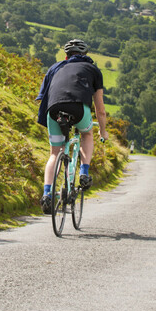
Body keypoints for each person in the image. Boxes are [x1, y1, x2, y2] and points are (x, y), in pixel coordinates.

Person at [35, 39, 108, 214]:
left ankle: (47, 194)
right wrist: (103, 131)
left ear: (66, 56)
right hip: (78, 108)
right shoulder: (93, 70)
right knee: (86, 135)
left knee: (54, 153)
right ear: (86, 55)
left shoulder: (55, 68)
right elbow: (100, 109)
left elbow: (42, 97)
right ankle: (84, 172)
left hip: (53, 110)